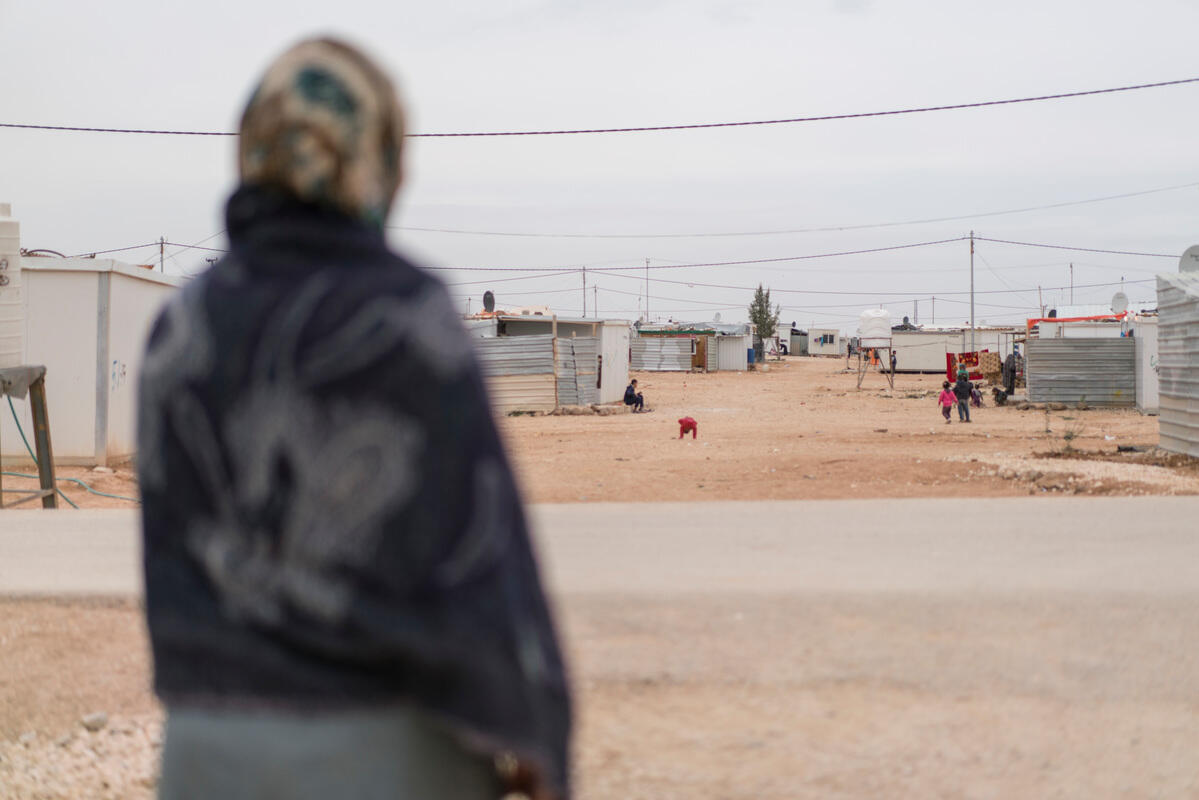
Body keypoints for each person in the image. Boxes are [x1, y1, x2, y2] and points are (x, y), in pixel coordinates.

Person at [137, 38, 570, 800]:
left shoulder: (180, 330)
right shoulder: (407, 319)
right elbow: (483, 553)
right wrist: (534, 730)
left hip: (205, 752)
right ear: (380, 160)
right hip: (388, 753)